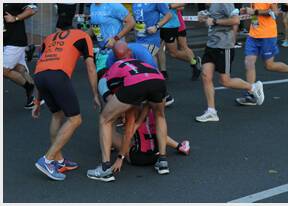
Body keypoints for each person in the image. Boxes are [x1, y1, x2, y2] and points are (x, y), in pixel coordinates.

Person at [87, 42, 170, 182]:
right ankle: (162, 161)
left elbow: (115, 94)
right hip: (157, 79)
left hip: (134, 84)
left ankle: (105, 168)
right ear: (130, 53)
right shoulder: (142, 59)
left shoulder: (113, 67)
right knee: (160, 116)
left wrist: (120, 157)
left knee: (105, 119)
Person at [32, 23, 100, 181]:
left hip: (40, 77)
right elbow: (90, 67)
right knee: (75, 119)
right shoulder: (83, 36)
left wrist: (37, 100)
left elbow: (41, 65)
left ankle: (59, 161)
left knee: (57, 115)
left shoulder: (49, 38)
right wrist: (95, 93)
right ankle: (47, 159)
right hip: (58, 76)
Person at [195, 3, 264, 123]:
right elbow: (212, 17)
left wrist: (215, 21)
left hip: (224, 46)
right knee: (206, 76)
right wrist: (204, 16)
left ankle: (253, 87)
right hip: (211, 45)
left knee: (225, 81)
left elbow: (235, 20)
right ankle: (211, 112)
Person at [236, 3, 288, 106]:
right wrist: (246, 10)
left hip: (267, 35)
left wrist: (255, 12)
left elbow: (275, 13)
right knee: (249, 62)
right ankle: (251, 95)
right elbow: (254, 11)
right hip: (253, 34)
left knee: (269, 65)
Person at [111, 105, 190, 166]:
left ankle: (108, 149)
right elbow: (162, 136)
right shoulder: (157, 107)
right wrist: (178, 146)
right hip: (157, 156)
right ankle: (180, 146)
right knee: (157, 134)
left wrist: (120, 157)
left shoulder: (132, 110)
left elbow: (128, 135)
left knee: (110, 134)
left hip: (138, 158)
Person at [3, 3, 38, 109]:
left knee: (3, 70)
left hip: (15, 42)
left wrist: (15, 18)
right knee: (20, 69)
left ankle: (29, 87)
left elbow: (32, 10)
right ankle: (35, 97)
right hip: (5, 42)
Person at [89, 3, 135, 78]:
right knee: (102, 81)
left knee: (116, 82)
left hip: (116, 52)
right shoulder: (93, 6)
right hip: (102, 51)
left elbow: (131, 22)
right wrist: (83, 35)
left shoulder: (113, 5)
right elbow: (95, 25)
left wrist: (115, 39)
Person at [159, 4, 201, 81]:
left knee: (182, 47)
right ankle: (163, 72)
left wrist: (167, 6)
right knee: (161, 48)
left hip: (176, 22)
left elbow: (182, 6)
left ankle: (194, 63)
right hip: (163, 24)